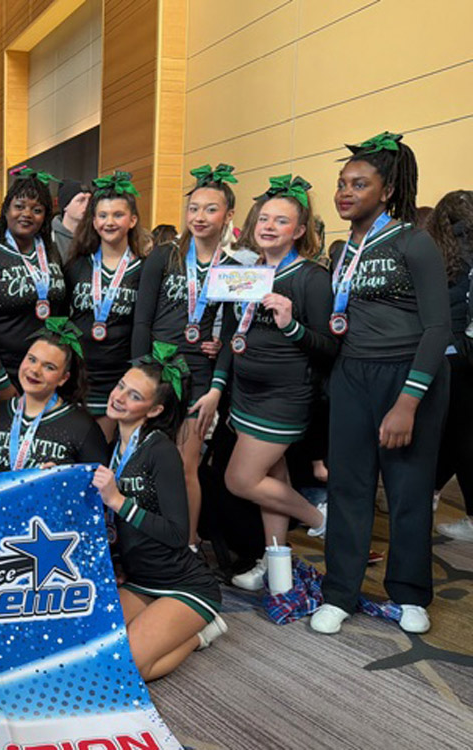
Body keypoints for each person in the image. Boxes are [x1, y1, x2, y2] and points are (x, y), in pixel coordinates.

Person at [310, 132, 450, 636]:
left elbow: (438, 329)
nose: (345, 192)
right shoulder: (344, 249)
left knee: (408, 489)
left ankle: (409, 593)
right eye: (342, 183)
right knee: (347, 487)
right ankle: (339, 592)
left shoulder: (414, 241)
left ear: (387, 191)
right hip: (353, 374)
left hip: (408, 376)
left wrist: (408, 402)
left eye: (359, 184)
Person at [219, 176, 337, 590]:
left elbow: (329, 348)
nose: (269, 226)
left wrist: (290, 324)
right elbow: (235, 330)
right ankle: (276, 566)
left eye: (281, 221)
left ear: (299, 230)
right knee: (275, 480)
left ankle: (321, 519)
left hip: (284, 398)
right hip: (245, 393)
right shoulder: (247, 271)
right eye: (264, 218)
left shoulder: (312, 278)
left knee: (241, 480)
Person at [92, 345, 226, 681]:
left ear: (154, 410)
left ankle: (201, 633)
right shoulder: (113, 447)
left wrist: (119, 502)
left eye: (134, 395)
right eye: (121, 385)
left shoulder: (161, 451)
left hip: (183, 584)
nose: (119, 397)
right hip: (139, 580)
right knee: (91, 652)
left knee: (127, 671)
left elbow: (178, 534)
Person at [133, 163, 238, 547]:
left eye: (211, 209)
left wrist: (216, 387)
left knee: (186, 465)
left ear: (228, 215)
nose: (199, 216)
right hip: (157, 370)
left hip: (199, 375)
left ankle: (188, 545)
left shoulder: (232, 269)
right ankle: (144, 537)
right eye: (193, 208)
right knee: (145, 459)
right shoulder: (165, 256)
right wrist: (138, 373)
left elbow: (232, 336)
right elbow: (142, 320)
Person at [0, 166, 67, 406]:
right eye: (19, 206)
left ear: (45, 216)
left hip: (44, 371)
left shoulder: (51, 252)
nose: (27, 214)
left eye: (37, 210)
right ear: (6, 210)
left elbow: (61, 310)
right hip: (3, 373)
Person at [65, 171, 145, 440]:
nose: (109, 222)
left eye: (118, 215)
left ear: (132, 220)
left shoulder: (144, 270)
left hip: (119, 377)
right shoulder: (77, 265)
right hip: (78, 375)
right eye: (102, 215)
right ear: (93, 221)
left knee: (101, 448)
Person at [0, 318, 107, 471]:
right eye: (32, 359)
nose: (35, 370)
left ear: (63, 378)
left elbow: (98, 482)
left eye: (49, 367)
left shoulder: (82, 427)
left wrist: (61, 480)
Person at [427, 190, 473, 542]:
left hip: (449, 353)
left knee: (456, 436)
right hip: (465, 352)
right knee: (459, 435)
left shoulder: (439, 254)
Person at [52, 179, 91, 263]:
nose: (87, 205)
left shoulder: (94, 235)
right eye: (81, 200)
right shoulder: (50, 236)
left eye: (90, 200)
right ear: (65, 206)